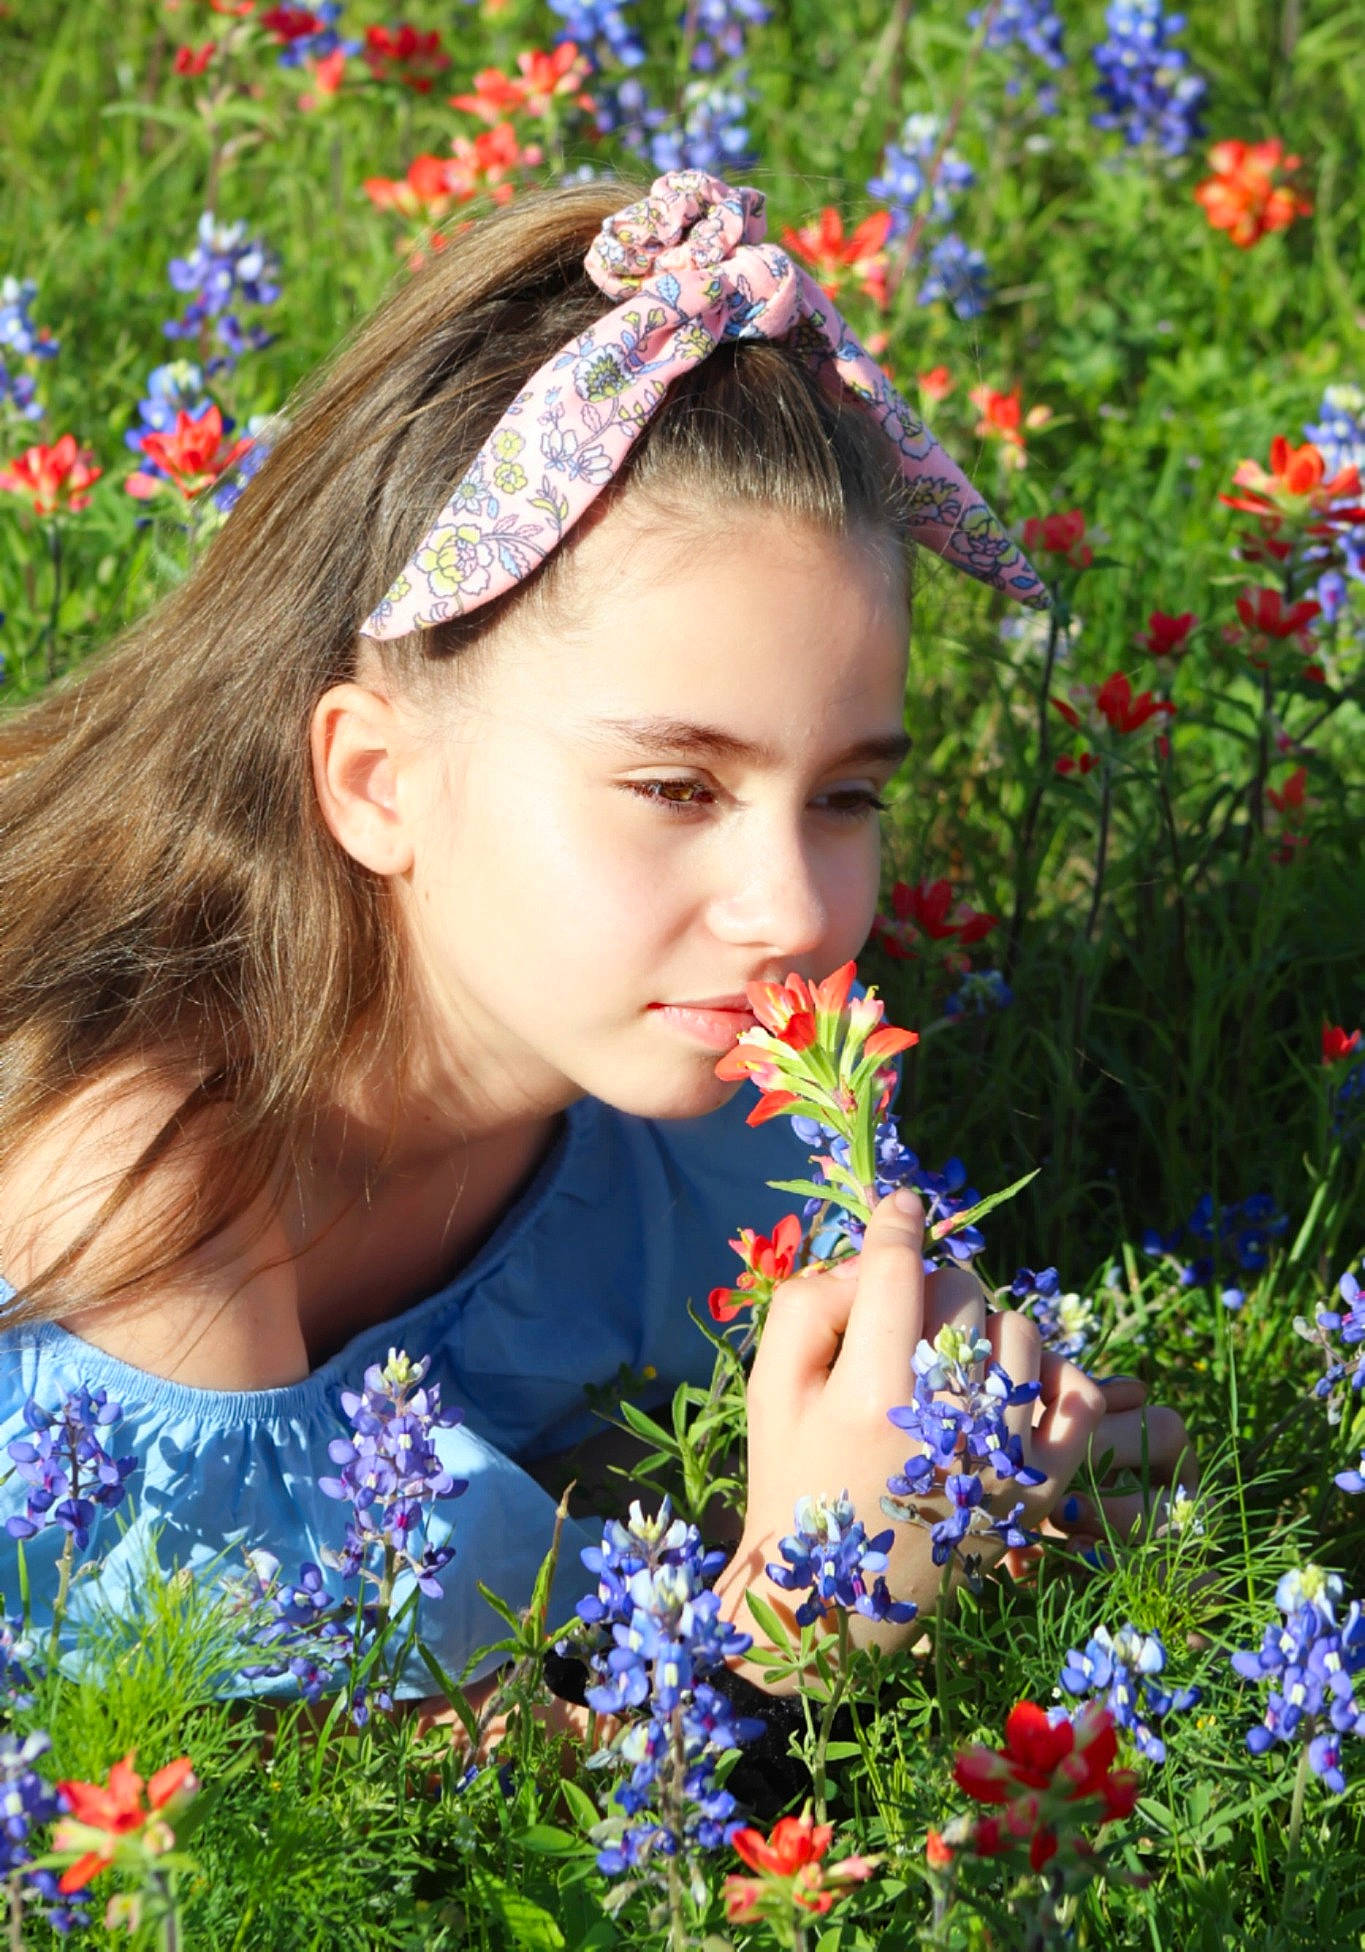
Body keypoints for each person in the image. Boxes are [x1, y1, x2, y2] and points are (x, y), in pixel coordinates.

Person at [0, 170, 1192, 1744]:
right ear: (379, 783)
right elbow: (288, 1799)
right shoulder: (150, 1183)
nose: (791, 912)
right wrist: (797, 1627)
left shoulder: (687, 1091)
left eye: (845, 796)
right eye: (677, 788)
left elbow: (651, 1502)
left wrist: (981, 1475)